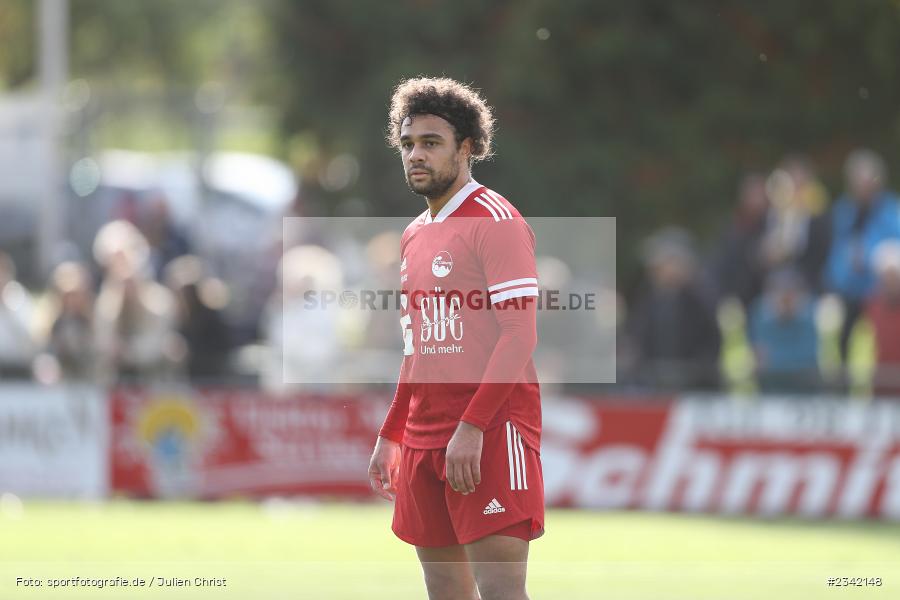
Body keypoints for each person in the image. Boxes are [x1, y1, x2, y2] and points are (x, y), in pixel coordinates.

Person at [368, 77, 543, 600]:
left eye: (430, 143)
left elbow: (519, 335)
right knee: (445, 593)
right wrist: (392, 431)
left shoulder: (497, 221)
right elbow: (415, 348)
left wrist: (472, 427)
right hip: (425, 435)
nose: (415, 155)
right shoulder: (414, 233)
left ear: (467, 148)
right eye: (407, 144)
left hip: (489, 431)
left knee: (501, 593)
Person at [825, 149, 900, 372]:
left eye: (868, 181)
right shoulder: (843, 212)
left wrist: (867, 260)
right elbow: (833, 259)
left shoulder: (893, 213)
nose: (863, 188)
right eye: (858, 182)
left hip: (883, 297)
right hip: (847, 294)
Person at [749, 268, 821, 394]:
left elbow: (807, 358)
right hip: (771, 387)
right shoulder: (760, 313)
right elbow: (760, 359)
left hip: (803, 387)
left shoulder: (808, 314)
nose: (785, 303)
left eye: (789, 296)